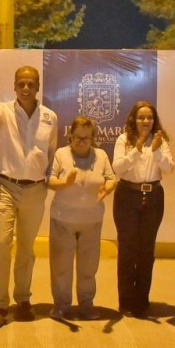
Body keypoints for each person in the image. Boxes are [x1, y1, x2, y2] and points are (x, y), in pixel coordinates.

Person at [0, 66, 58, 329]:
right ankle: (0, 305)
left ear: (38, 87)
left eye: (30, 84)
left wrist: (49, 182)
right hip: (5, 186)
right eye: (21, 84)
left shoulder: (50, 117)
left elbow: (51, 152)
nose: (26, 88)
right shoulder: (2, 110)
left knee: (26, 248)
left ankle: (23, 299)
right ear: (14, 86)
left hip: (35, 190)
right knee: (1, 244)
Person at [47, 116, 116, 320]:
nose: (81, 142)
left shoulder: (101, 155)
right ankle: (61, 306)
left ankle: (86, 305)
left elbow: (111, 179)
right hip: (63, 219)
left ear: (93, 138)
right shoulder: (61, 154)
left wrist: (107, 188)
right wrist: (64, 183)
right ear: (70, 136)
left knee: (88, 268)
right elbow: (49, 180)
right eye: (77, 137)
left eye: (86, 138)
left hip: (91, 221)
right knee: (61, 267)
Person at [112, 101, 175, 319]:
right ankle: (126, 301)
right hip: (127, 197)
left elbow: (169, 168)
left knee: (146, 251)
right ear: (134, 120)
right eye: (141, 117)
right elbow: (117, 168)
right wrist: (137, 149)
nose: (146, 121)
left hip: (153, 198)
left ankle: (142, 301)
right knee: (127, 250)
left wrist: (156, 151)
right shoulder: (124, 139)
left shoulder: (160, 140)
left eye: (149, 117)